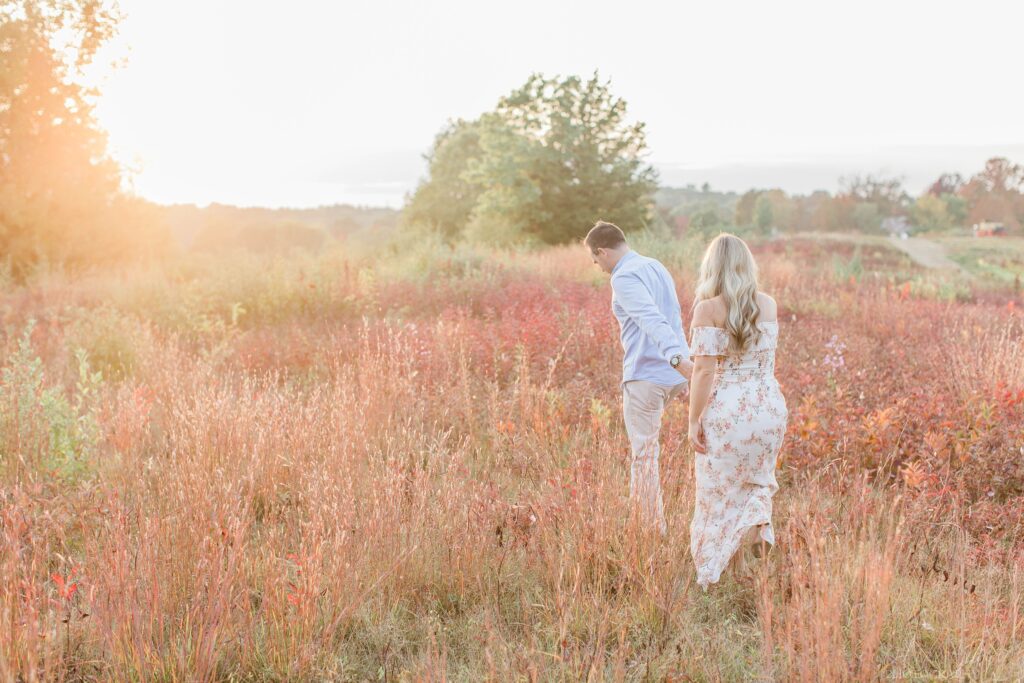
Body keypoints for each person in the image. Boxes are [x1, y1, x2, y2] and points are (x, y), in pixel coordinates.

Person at [686, 233, 788, 590]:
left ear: (712, 267)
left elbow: (703, 370)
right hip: (768, 407)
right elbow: (766, 360)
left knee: (716, 492)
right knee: (758, 480)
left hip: (730, 412)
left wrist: (694, 419)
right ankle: (760, 528)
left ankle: (711, 571)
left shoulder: (708, 309)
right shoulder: (769, 305)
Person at [585, 221, 694, 536]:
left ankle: (648, 531)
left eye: (595, 260)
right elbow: (674, 315)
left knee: (644, 455)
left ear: (603, 251)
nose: (598, 267)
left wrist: (677, 358)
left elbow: (653, 319)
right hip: (672, 376)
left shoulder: (624, 277)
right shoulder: (655, 266)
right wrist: (682, 362)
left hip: (648, 374)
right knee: (653, 450)